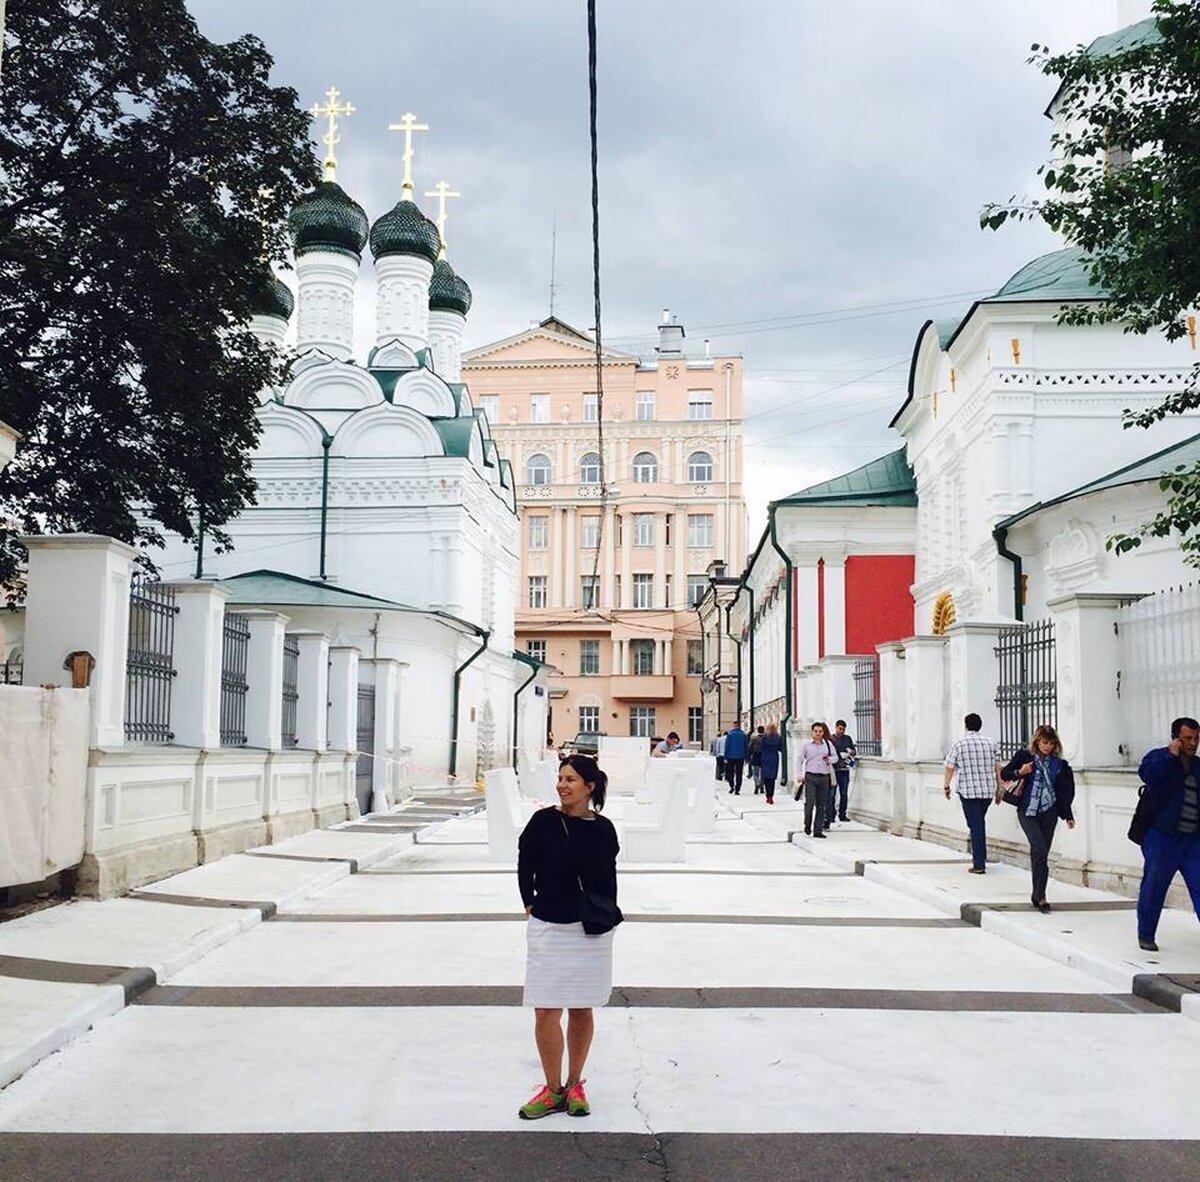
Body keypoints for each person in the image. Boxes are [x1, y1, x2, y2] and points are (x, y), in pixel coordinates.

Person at [516, 754, 619, 1120]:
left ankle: (575, 1085)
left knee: (581, 1006)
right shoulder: (543, 822)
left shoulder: (604, 829)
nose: (562, 785)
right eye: (560, 778)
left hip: (590, 930)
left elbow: (608, 878)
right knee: (545, 1009)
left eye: (571, 779)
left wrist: (606, 913)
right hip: (548, 925)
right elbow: (524, 862)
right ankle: (552, 1089)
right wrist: (529, 901)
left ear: (589, 787)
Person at [1135, 716, 1200, 952]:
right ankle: (1146, 934)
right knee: (1154, 885)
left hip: (1192, 840)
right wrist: (1169, 756)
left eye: (1196, 738)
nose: (1193, 743)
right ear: (1176, 739)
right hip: (1162, 837)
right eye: (1187, 738)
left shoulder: (1198, 766)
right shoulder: (1158, 758)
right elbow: (1148, 776)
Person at [998, 724, 1076, 912]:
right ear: (1037, 741)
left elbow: (1065, 791)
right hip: (1027, 811)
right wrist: (1020, 772)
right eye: (1044, 742)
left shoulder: (1060, 765)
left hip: (1049, 812)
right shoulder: (1025, 757)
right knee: (1039, 848)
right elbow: (1004, 773)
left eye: (1051, 743)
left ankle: (1039, 894)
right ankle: (1040, 897)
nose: (1047, 746)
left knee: (1041, 854)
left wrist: (1067, 815)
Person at [943, 712, 1002, 874]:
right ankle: (978, 856)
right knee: (978, 823)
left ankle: (979, 863)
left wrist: (946, 786)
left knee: (976, 826)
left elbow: (949, 767)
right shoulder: (991, 743)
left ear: (966, 725)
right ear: (980, 726)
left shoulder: (959, 744)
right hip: (987, 792)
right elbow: (998, 767)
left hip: (968, 792)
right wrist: (999, 787)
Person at [795, 721, 836, 837]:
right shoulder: (806, 745)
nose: (818, 733)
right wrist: (799, 774)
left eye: (820, 731)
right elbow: (799, 760)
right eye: (816, 731)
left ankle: (817, 830)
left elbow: (836, 757)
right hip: (810, 777)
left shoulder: (827, 744)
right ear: (812, 732)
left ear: (823, 733)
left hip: (824, 776)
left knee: (821, 804)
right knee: (810, 802)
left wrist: (830, 759)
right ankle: (807, 823)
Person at [827, 720, 857, 825]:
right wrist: (839, 755)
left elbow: (854, 751)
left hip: (844, 769)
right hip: (834, 770)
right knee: (832, 794)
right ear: (836, 728)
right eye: (840, 729)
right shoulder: (831, 739)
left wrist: (850, 752)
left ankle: (842, 814)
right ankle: (831, 815)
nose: (841, 731)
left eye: (843, 729)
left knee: (844, 793)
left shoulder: (847, 739)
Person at [759, 722, 783, 804]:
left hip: (765, 757)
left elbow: (761, 747)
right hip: (774, 757)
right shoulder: (778, 737)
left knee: (766, 778)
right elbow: (780, 748)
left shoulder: (765, 737)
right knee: (772, 778)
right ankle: (771, 796)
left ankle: (767, 795)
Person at [723, 723, 748, 794]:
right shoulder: (743, 735)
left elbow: (727, 746)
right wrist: (746, 757)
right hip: (740, 756)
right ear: (739, 726)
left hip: (730, 756)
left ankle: (732, 786)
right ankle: (737, 789)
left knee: (730, 772)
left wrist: (725, 756)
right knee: (739, 773)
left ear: (733, 726)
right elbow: (746, 746)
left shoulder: (730, 735)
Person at [748, 725, 765, 793]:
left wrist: (748, 757)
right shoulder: (766, 739)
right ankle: (761, 786)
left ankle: (756, 784)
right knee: (762, 773)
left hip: (755, 757)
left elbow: (750, 749)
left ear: (758, 731)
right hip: (763, 757)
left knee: (756, 773)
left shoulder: (754, 739)